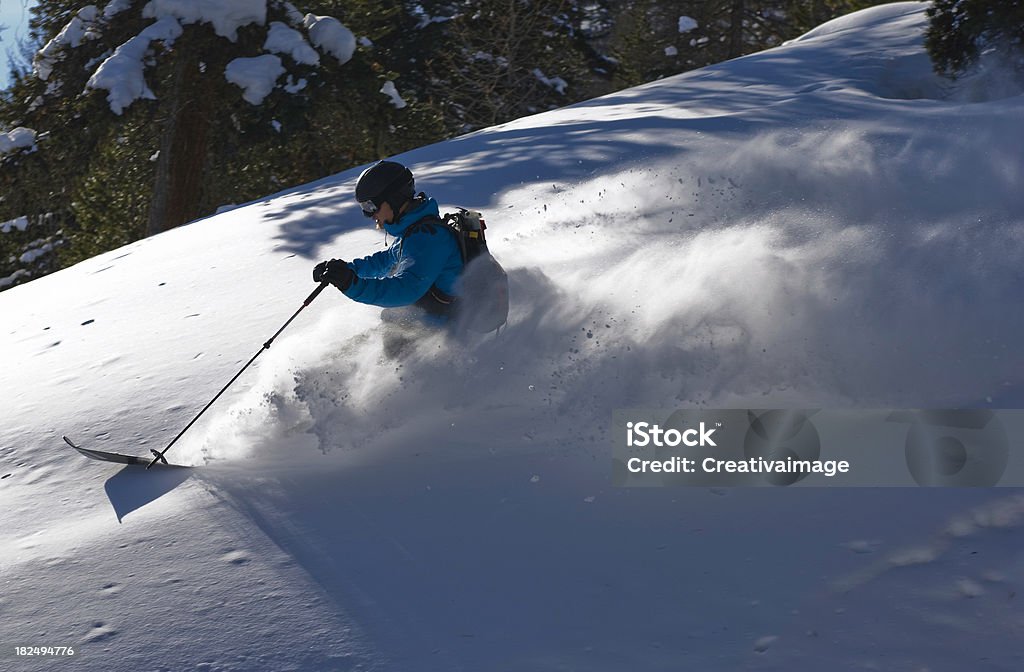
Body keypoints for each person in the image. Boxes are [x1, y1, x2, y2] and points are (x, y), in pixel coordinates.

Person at [313, 160, 464, 356]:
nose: (369, 214)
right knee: (361, 345)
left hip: (443, 335)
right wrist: (346, 270)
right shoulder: (415, 233)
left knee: (364, 350)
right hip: (424, 321)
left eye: (370, 205)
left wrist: (352, 284)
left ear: (394, 198)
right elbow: (384, 260)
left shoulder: (428, 238)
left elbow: (405, 290)